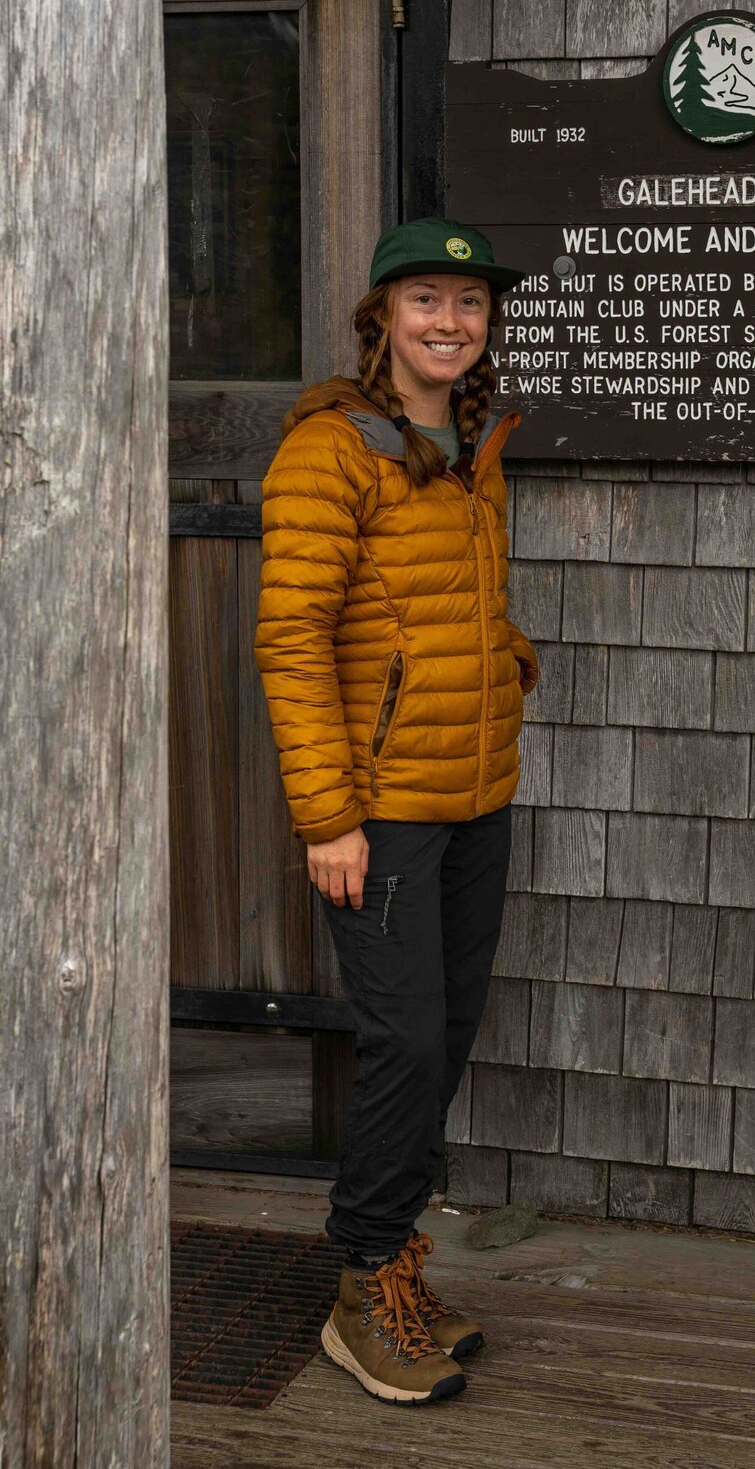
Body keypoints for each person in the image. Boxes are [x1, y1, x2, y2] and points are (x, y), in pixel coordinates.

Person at [253, 217, 538, 1406]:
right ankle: (363, 1285)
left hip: (477, 795)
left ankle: (396, 1260)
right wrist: (329, 817)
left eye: (469, 303)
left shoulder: (471, 439)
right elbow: (292, 639)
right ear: (383, 316)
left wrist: (504, 659)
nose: (450, 322)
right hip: (380, 813)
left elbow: (447, 606)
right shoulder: (331, 449)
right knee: (405, 1042)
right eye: (426, 299)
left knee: (446, 1038)